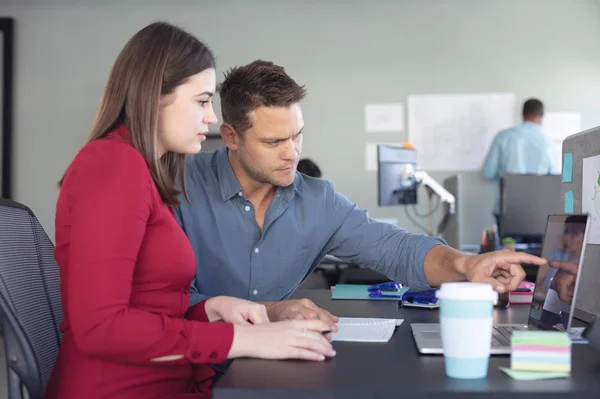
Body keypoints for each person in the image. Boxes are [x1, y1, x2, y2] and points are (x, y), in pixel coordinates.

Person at [46, 24, 334, 399]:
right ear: (155, 96)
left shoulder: (141, 171)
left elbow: (148, 307)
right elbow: (100, 327)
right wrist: (240, 340)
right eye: (201, 101)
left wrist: (211, 308)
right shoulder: (112, 165)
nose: (211, 118)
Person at [175, 59, 546, 331]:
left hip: (266, 368)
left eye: (297, 135)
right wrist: (269, 311)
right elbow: (159, 301)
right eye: (273, 141)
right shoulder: (176, 187)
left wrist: (465, 264)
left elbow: (396, 248)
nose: (292, 153)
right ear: (230, 137)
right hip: (185, 367)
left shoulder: (319, 201)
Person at [482, 98, 557, 181]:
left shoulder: (503, 136)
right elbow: (556, 177)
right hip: (540, 192)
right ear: (542, 116)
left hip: (510, 192)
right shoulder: (549, 143)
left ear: (522, 114)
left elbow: (488, 173)